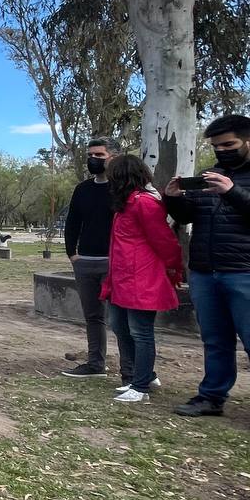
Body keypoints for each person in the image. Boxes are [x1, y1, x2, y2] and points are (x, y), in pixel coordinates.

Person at [163, 114, 250, 417]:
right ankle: (211, 397)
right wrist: (173, 199)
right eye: (216, 146)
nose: (222, 151)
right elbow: (189, 216)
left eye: (229, 145)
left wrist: (232, 191)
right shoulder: (209, 176)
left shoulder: (229, 183)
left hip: (243, 272)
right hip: (204, 271)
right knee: (215, 339)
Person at [101, 154, 183, 403]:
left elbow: (164, 240)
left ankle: (141, 385)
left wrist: (173, 268)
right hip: (122, 279)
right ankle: (144, 375)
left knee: (141, 331)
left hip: (141, 278)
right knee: (120, 326)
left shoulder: (144, 203)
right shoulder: (125, 204)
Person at [62, 137, 124, 380]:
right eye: (90, 155)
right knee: (93, 317)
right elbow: (72, 223)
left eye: (99, 155)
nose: (93, 159)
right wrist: (72, 253)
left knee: (121, 319)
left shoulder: (123, 188)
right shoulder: (83, 189)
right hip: (85, 261)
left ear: (114, 157)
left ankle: (133, 370)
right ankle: (96, 363)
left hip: (114, 262)